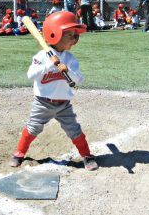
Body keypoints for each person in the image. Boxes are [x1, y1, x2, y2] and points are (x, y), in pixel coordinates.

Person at [8, 11, 99, 171]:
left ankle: (87, 155)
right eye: (69, 35)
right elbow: (30, 75)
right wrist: (49, 65)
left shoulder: (70, 59)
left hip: (64, 104)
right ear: (55, 34)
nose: (74, 39)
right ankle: (19, 153)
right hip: (42, 103)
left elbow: (78, 79)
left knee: (74, 130)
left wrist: (68, 70)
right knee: (32, 129)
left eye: (74, 35)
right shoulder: (42, 56)